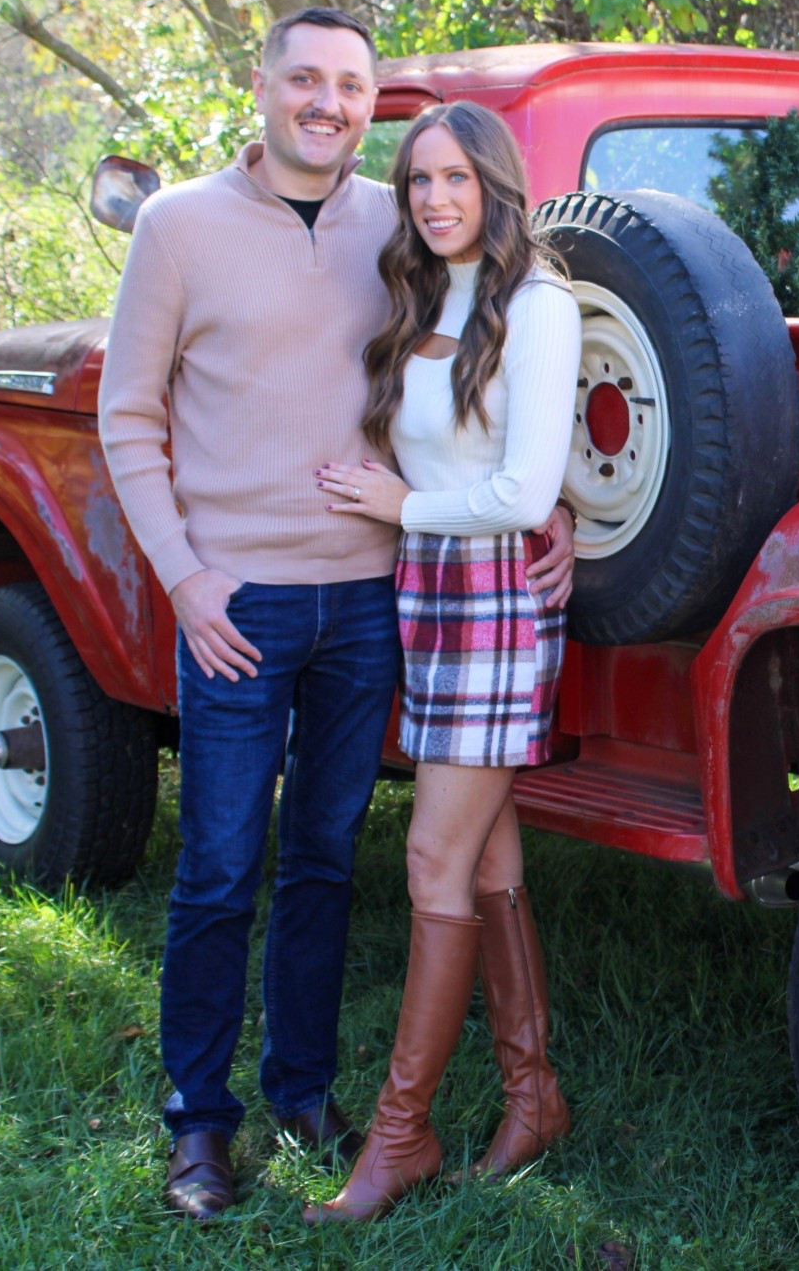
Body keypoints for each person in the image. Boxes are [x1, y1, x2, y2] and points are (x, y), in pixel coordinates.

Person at [97, 7, 573, 1222]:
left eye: (351, 86)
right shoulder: (177, 225)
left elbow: (500, 370)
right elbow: (127, 417)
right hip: (237, 602)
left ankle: (302, 1092)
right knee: (215, 865)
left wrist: (550, 502)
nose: (327, 102)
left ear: (374, 103)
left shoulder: (397, 221)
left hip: (376, 597)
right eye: (303, 78)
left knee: (323, 858)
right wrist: (184, 578)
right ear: (259, 85)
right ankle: (201, 1125)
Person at [303, 99, 580, 1223]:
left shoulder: (538, 302)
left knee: (429, 858)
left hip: (495, 599)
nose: (433, 198)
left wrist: (408, 503)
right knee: (484, 854)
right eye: (417, 179)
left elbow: (520, 488)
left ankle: (398, 1134)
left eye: (455, 178)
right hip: (429, 589)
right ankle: (532, 1096)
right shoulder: (424, 291)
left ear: (496, 184)